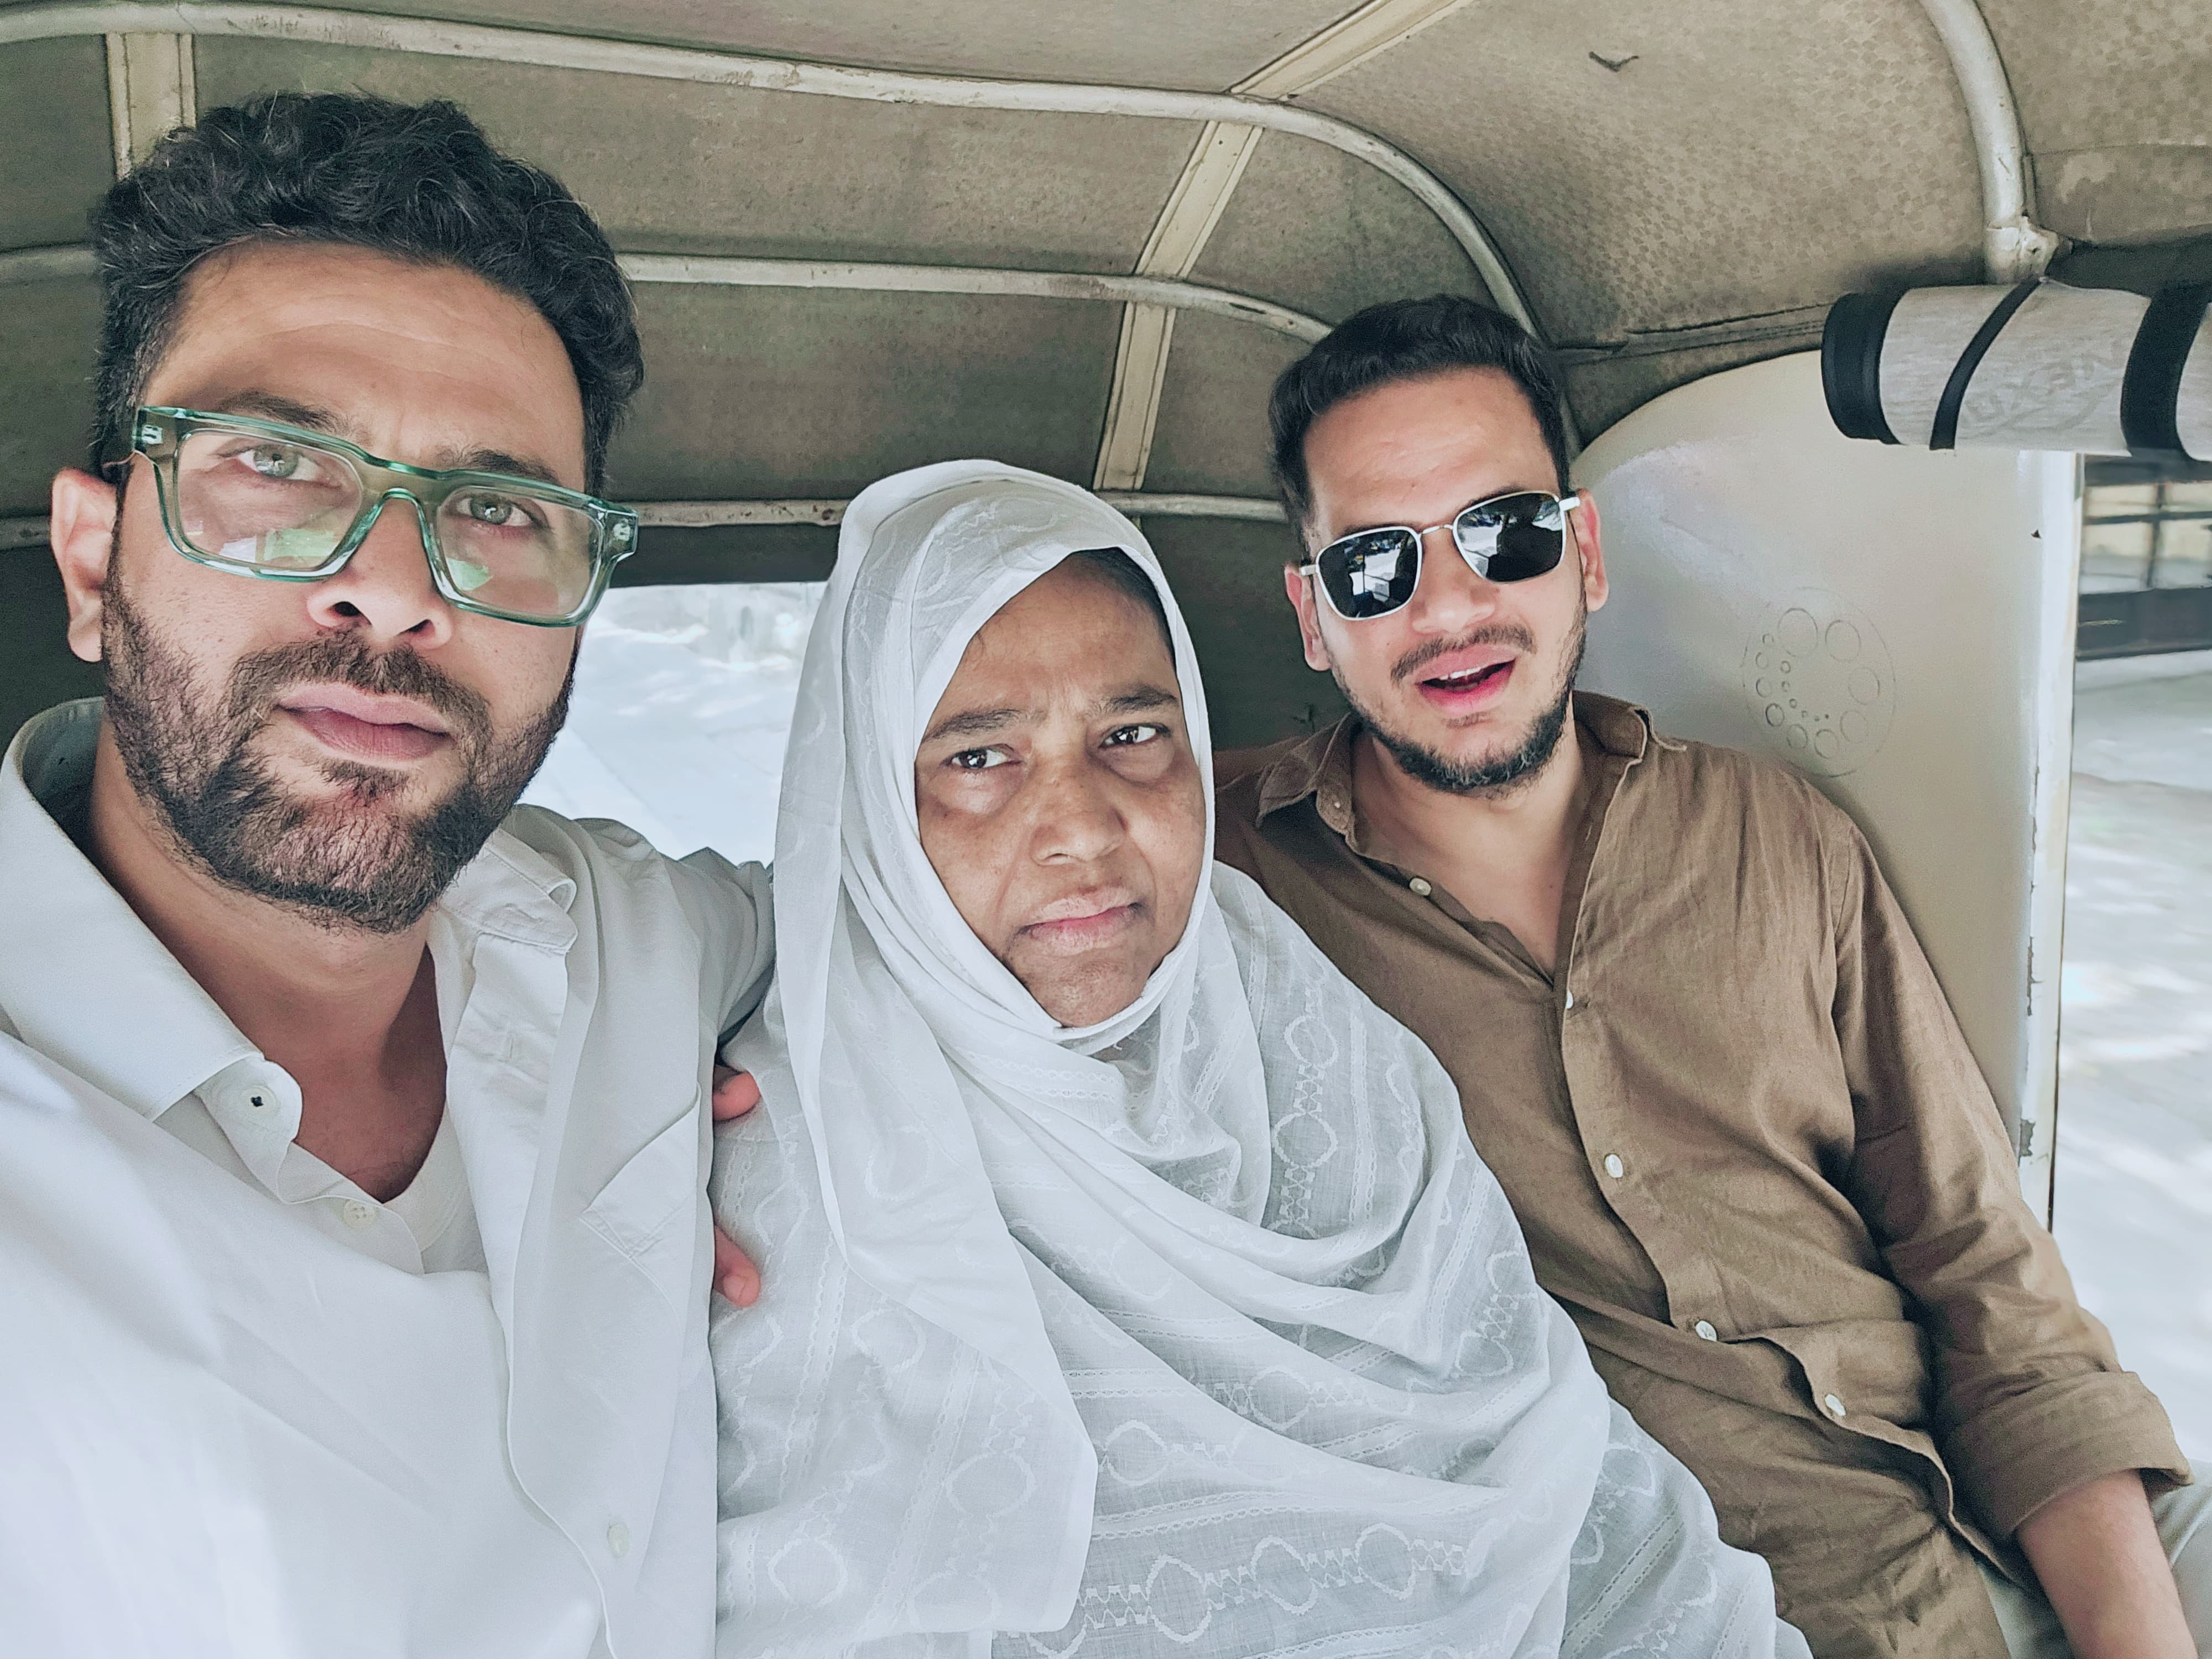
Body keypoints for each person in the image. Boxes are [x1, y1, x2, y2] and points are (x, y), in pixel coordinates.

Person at [1211, 294, 2211, 1659]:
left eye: (1502, 534)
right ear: (1315, 616)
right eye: (1374, 565)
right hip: (1680, 1604)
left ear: (1586, 556)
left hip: (1999, 1516)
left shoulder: (1778, 836)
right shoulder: (1219, 880)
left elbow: (1980, 1266)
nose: (1448, 607)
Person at [706, 459, 1811, 1657]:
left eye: (1133, 734)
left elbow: (1555, 1464)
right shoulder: (784, 1155)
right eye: (978, 759)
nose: (1082, 827)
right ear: (867, 803)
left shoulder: (1308, 1036)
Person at [0, 93, 770, 1657]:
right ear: (94, 564)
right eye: (277, 462)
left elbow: (930, 922)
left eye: (499, 511)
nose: (392, 590)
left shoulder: (631, 933)